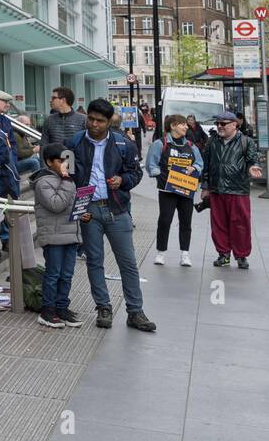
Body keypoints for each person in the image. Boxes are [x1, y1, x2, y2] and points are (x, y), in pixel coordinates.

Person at [66, 99, 155, 332]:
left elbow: (135, 174)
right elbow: (66, 176)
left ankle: (135, 311)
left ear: (109, 122)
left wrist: (122, 181)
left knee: (128, 262)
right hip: (88, 210)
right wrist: (77, 205)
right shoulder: (74, 142)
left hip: (117, 209)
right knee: (95, 261)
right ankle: (103, 307)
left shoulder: (123, 143)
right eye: (91, 119)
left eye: (100, 121)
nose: (94, 124)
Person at [31, 143, 83, 329]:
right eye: (60, 160)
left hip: (70, 233)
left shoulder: (67, 180)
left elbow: (69, 205)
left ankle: (62, 308)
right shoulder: (43, 182)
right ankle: (48, 311)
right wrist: (67, 182)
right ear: (48, 162)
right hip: (53, 236)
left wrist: (81, 211)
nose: (64, 164)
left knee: (67, 274)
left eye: (66, 160)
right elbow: (56, 205)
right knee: (53, 274)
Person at [202, 110, 263, 269]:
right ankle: (224, 254)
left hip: (238, 190)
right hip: (217, 189)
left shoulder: (246, 141)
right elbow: (206, 166)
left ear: (234, 124)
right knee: (218, 224)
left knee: (240, 224)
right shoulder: (212, 142)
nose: (219, 127)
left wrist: (253, 167)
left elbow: (252, 159)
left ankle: (241, 255)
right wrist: (205, 187)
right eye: (218, 124)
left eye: (223, 124)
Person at [147, 114, 203, 267]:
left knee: (186, 222)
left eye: (186, 124)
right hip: (167, 190)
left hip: (186, 189)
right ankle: (161, 252)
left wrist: (194, 168)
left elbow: (200, 163)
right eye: (182, 124)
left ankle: (185, 254)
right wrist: (163, 176)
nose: (186, 127)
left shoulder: (191, 146)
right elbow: (151, 164)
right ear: (172, 126)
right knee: (165, 221)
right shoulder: (160, 144)